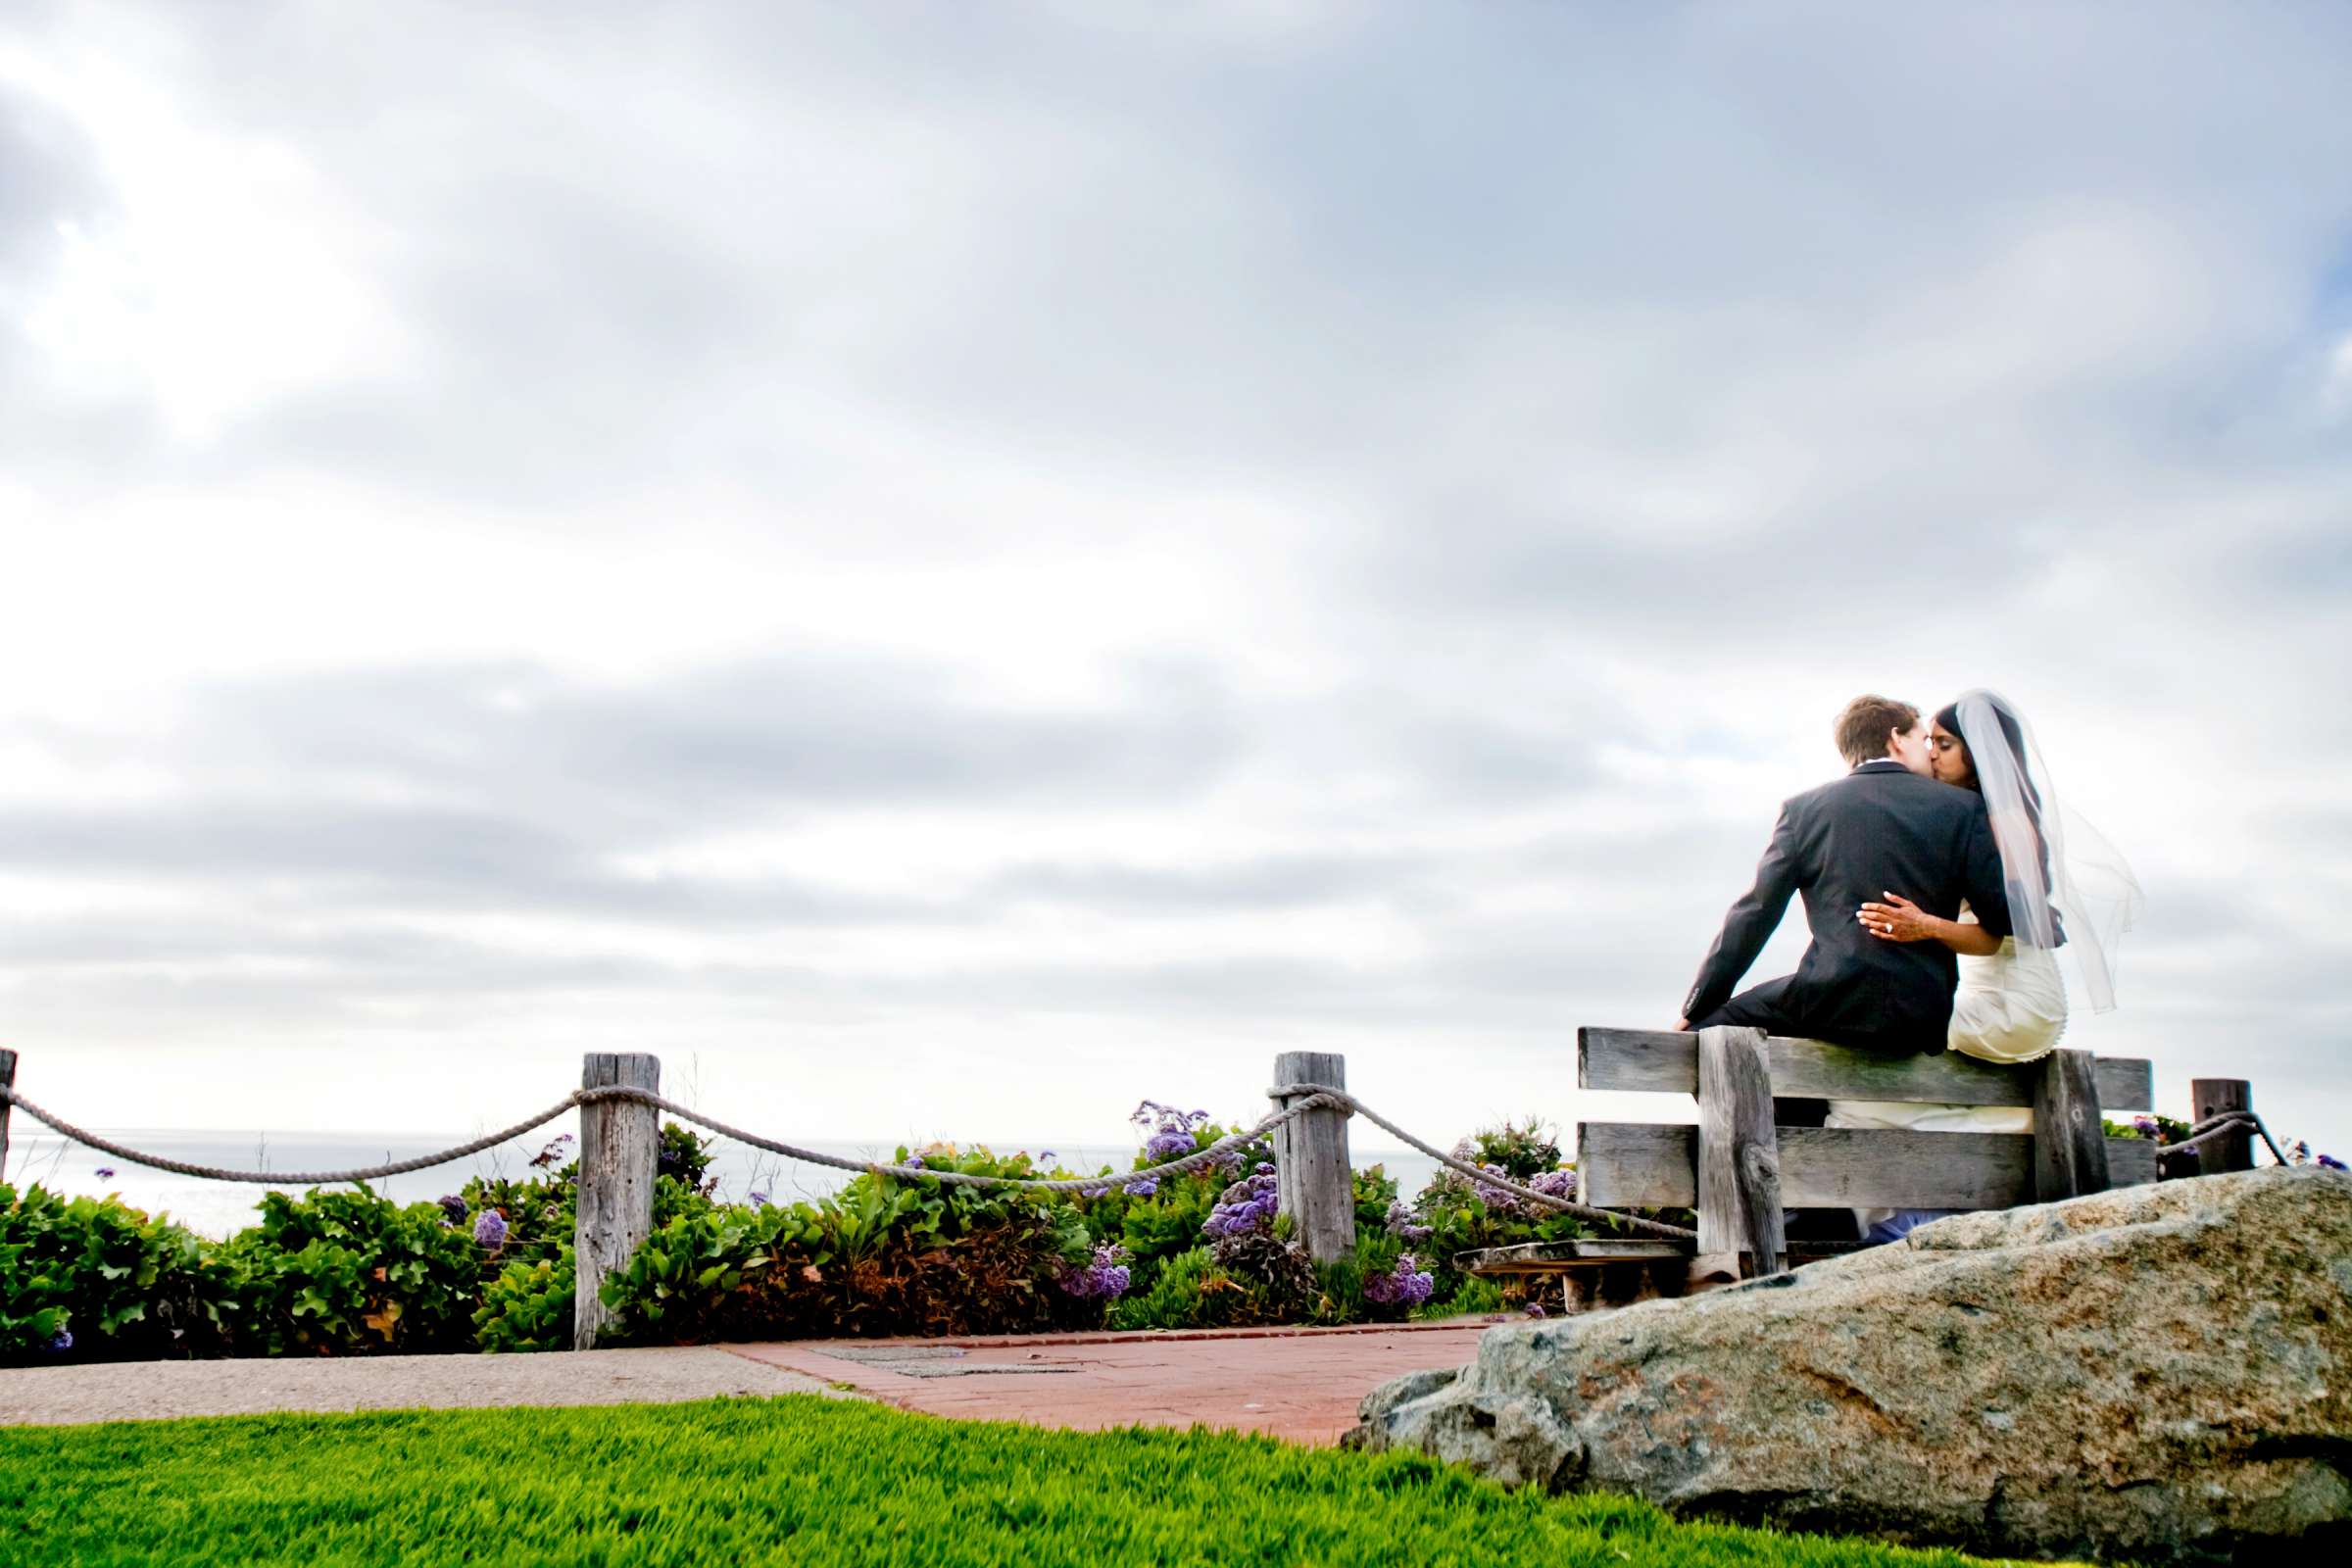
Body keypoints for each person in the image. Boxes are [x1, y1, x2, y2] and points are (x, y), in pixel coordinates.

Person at [1834, 689, 2143, 1240]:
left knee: (1857, 1054)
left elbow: (2004, 934)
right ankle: (1923, 1214)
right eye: (1928, 742)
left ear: (1978, 754)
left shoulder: (2004, 822)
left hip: (2016, 1003)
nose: (1932, 755)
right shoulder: (1969, 816)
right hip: (1983, 994)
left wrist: (1926, 927)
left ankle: (1884, 1219)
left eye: (1945, 744)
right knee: (1882, 1075)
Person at [1678, 694, 2013, 1054]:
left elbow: (1755, 914)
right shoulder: (1964, 808)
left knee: (1705, 1037)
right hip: (1923, 1016)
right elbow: (2000, 917)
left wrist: (1698, 1006)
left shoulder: (1803, 811)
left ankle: (1793, 1115)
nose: (1930, 752)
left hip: (1830, 1003)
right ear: (1897, 739)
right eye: (1923, 739)